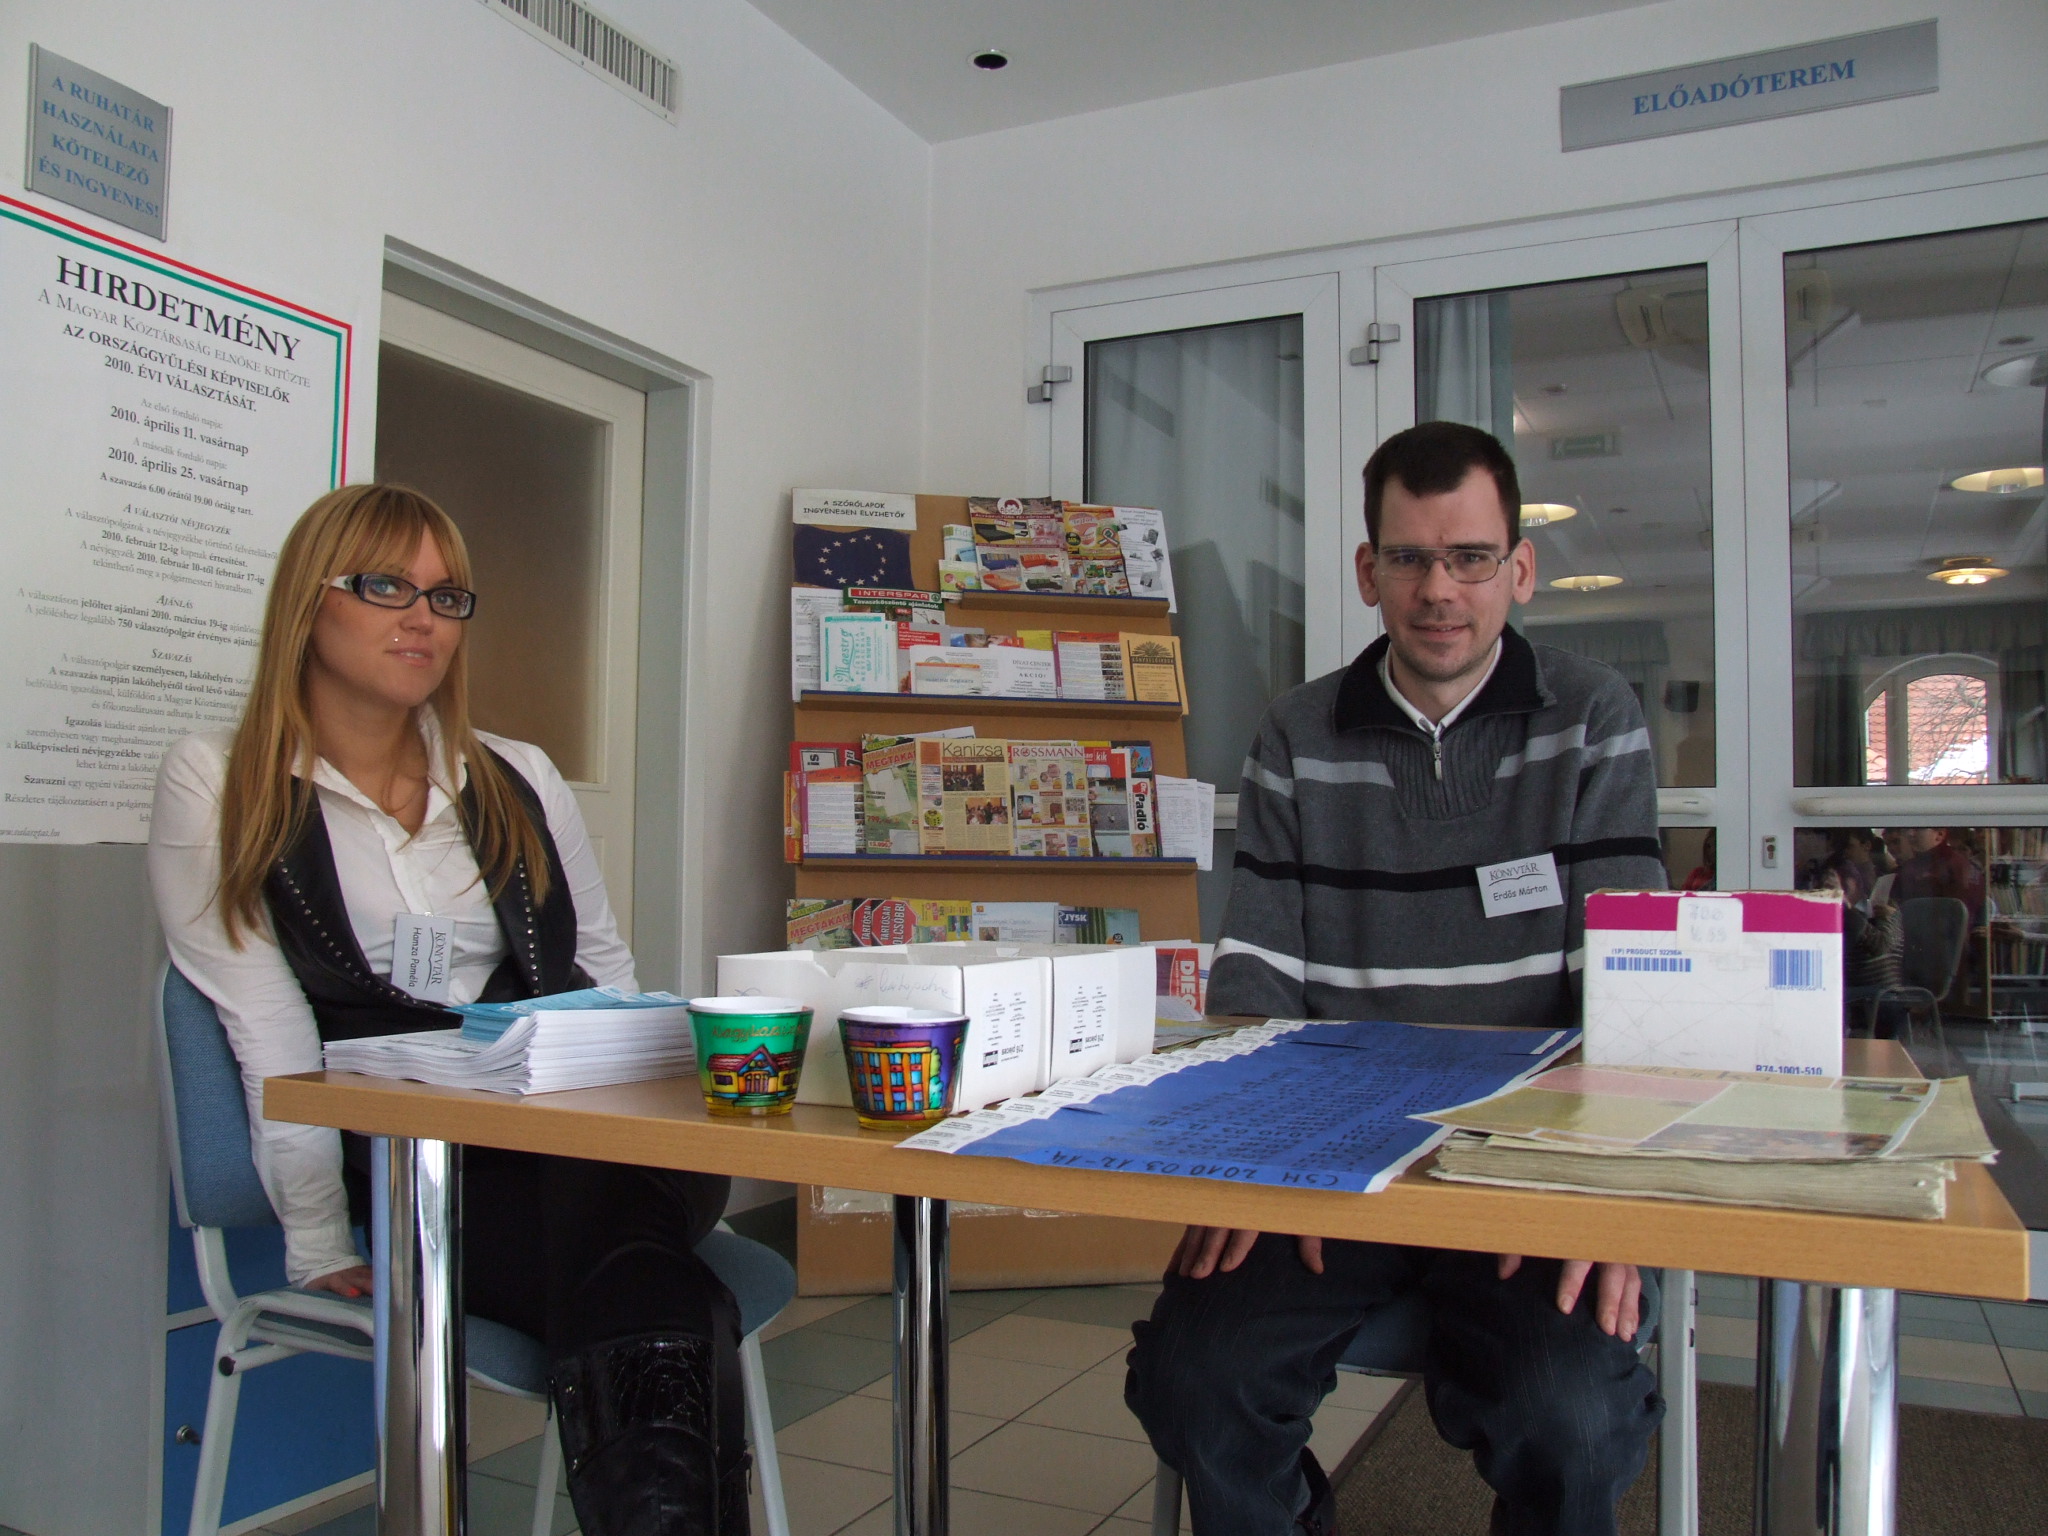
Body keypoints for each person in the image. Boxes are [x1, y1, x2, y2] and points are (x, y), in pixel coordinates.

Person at [149, 485, 747, 1534]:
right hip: (420, 1168)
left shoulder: (518, 774)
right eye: (385, 586)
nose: (422, 617)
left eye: (446, 595)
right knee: (660, 1288)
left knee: (609, 1211)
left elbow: (603, 979)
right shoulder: (220, 779)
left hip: (590, 1143)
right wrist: (317, 1238)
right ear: (308, 601)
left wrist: (663, 1120)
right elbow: (268, 1029)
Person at [1125, 422, 1666, 1536]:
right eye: (1410, 558)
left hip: (1527, 1168)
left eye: (1469, 557)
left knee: (1569, 1416)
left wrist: (1608, 1194)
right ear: (1368, 571)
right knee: (1192, 1381)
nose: (1439, 590)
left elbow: (1628, 993)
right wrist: (1250, 1169)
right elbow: (1258, 979)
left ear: (1519, 568)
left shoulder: (1592, 718)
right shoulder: (1296, 732)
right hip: (1329, 1162)